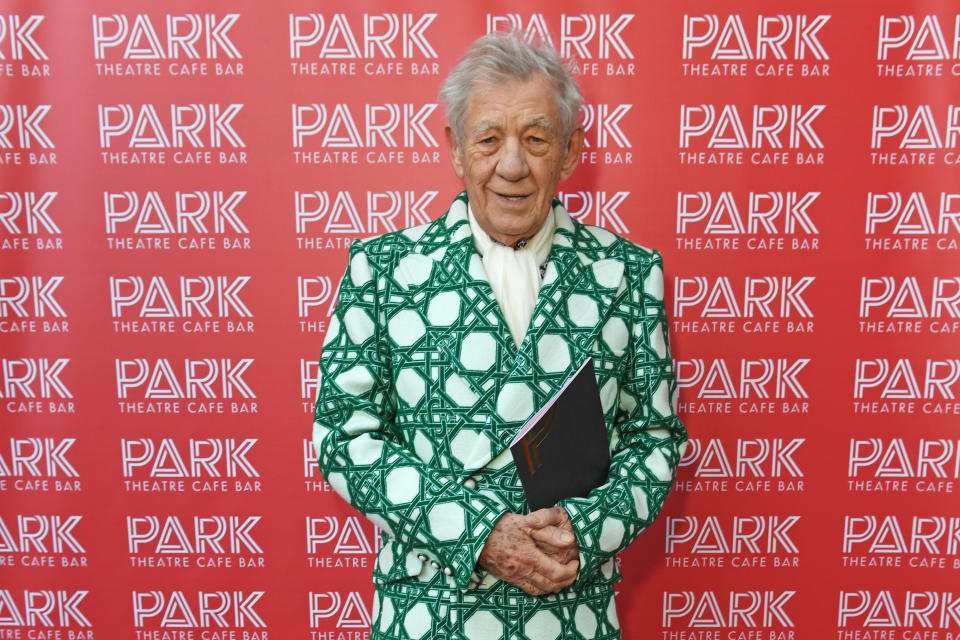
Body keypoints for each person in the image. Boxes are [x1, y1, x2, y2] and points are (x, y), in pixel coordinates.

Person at [312, 31, 686, 640]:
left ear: (569, 153)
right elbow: (343, 436)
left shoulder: (627, 273)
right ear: (456, 148)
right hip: (428, 615)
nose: (512, 164)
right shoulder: (381, 270)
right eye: (489, 139)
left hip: (572, 614)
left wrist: (584, 530)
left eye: (536, 139)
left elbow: (655, 437)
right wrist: (475, 534)